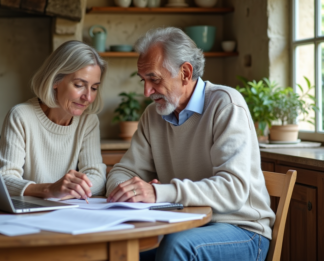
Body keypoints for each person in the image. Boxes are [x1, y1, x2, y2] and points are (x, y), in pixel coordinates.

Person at [106, 27, 275, 261]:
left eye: (154, 79)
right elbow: (125, 171)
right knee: (119, 250)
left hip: (242, 229)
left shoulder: (225, 104)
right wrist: (123, 192)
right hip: (184, 224)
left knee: (177, 246)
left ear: (185, 72)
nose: (146, 91)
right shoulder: (152, 115)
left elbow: (232, 189)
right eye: (143, 80)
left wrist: (157, 192)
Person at [0, 40, 107, 201]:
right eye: (79, 85)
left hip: (67, 214)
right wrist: (50, 190)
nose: (88, 97)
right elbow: (5, 179)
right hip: (26, 215)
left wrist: (68, 191)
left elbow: (97, 176)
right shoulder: (21, 116)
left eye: (94, 88)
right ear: (55, 80)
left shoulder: (88, 121)